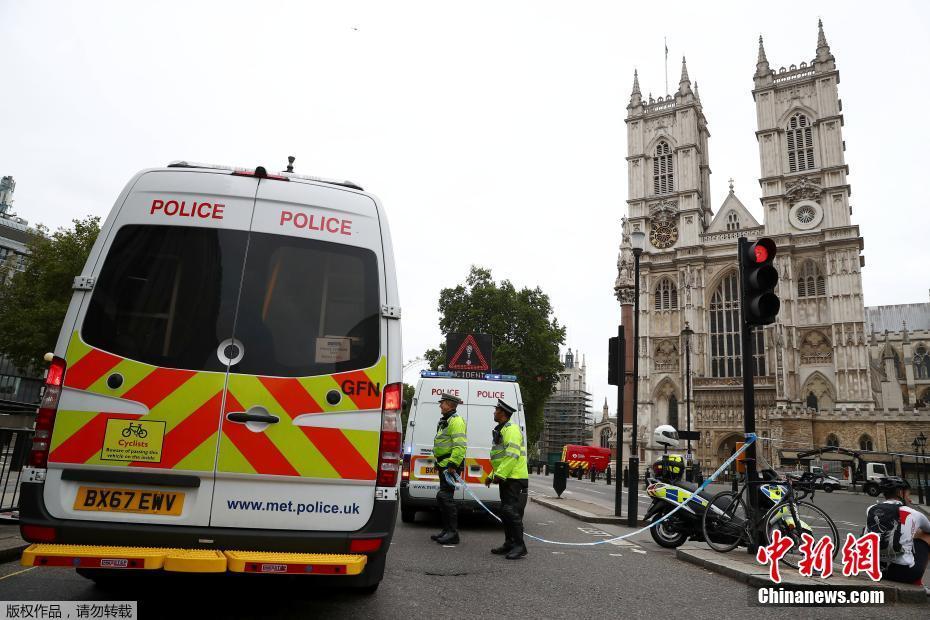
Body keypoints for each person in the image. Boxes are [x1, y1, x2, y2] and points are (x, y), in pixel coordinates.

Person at [485, 398, 529, 560]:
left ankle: (520, 546)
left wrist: (500, 475)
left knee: (510, 511)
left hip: (514, 476)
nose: (494, 412)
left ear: (502, 413)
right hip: (508, 475)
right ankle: (509, 543)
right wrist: (492, 476)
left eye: (496, 410)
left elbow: (512, 455)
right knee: (505, 511)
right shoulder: (502, 430)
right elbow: (500, 458)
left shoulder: (511, 430)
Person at [870, 477, 930, 589]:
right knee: (927, 536)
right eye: (908, 495)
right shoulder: (914, 513)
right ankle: (918, 584)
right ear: (901, 493)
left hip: (876, 570)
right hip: (905, 573)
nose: (910, 499)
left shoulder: (871, 509)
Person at [431, 392, 467, 545]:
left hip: (449, 465)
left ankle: (453, 533)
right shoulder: (446, 420)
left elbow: (460, 445)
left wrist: (452, 465)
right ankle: (446, 530)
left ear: (450, 405)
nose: (440, 405)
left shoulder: (456, 421)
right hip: (444, 464)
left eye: (442, 403)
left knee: (446, 498)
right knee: (443, 498)